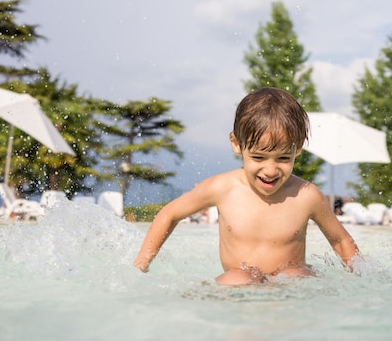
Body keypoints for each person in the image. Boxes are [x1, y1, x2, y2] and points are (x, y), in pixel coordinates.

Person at [134, 87, 361, 285]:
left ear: (298, 148)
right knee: (237, 278)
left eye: (283, 158)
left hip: (290, 292)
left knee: (295, 274)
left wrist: (363, 279)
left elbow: (340, 240)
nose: (271, 171)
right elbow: (170, 214)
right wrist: (140, 267)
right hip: (241, 286)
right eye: (258, 158)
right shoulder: (223, 188)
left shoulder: (306, 196)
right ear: (236, 144)